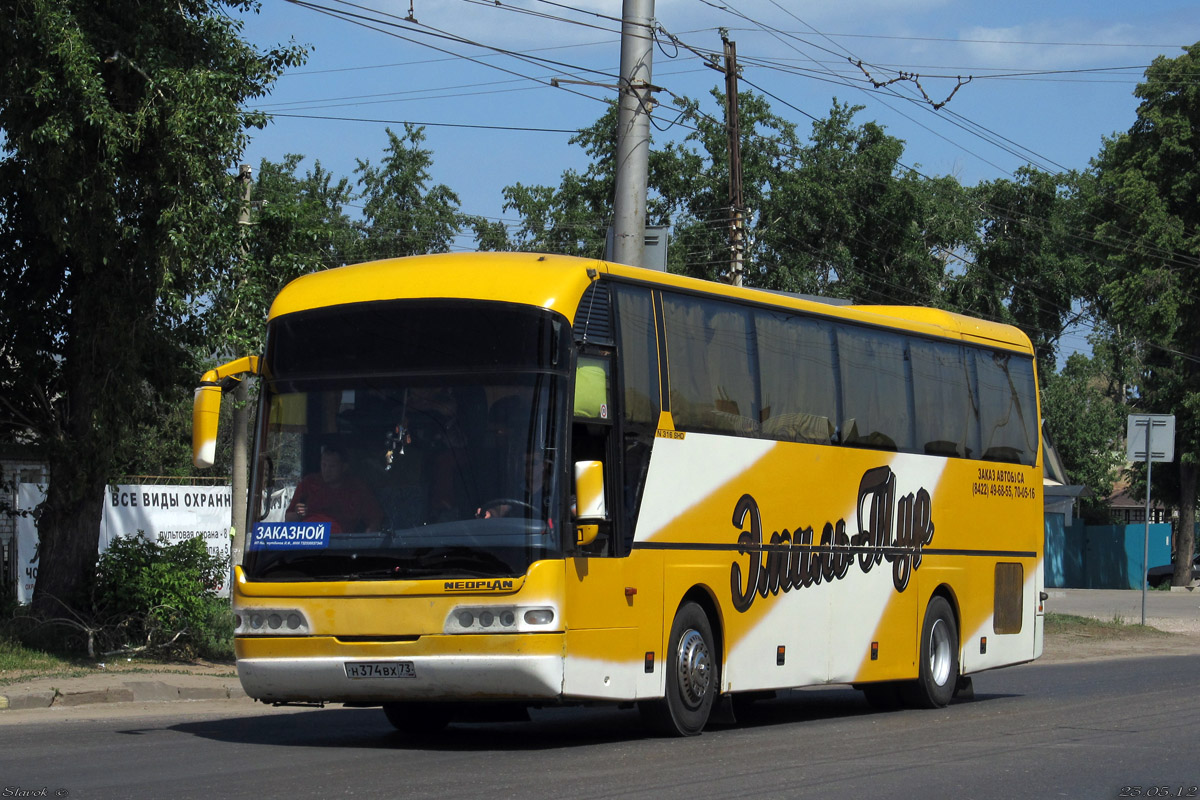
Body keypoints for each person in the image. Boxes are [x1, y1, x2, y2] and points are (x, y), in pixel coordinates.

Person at [286, 445, 384, 534]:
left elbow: (375, 519)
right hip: (307, 543)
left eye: (332, 466)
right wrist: (298, 514)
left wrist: (369, 536)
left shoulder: (358, 489)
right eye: (324, 465)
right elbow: (288, 519)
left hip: (340, 545)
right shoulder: (308, 483)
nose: (326, 470)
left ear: (344, 467)